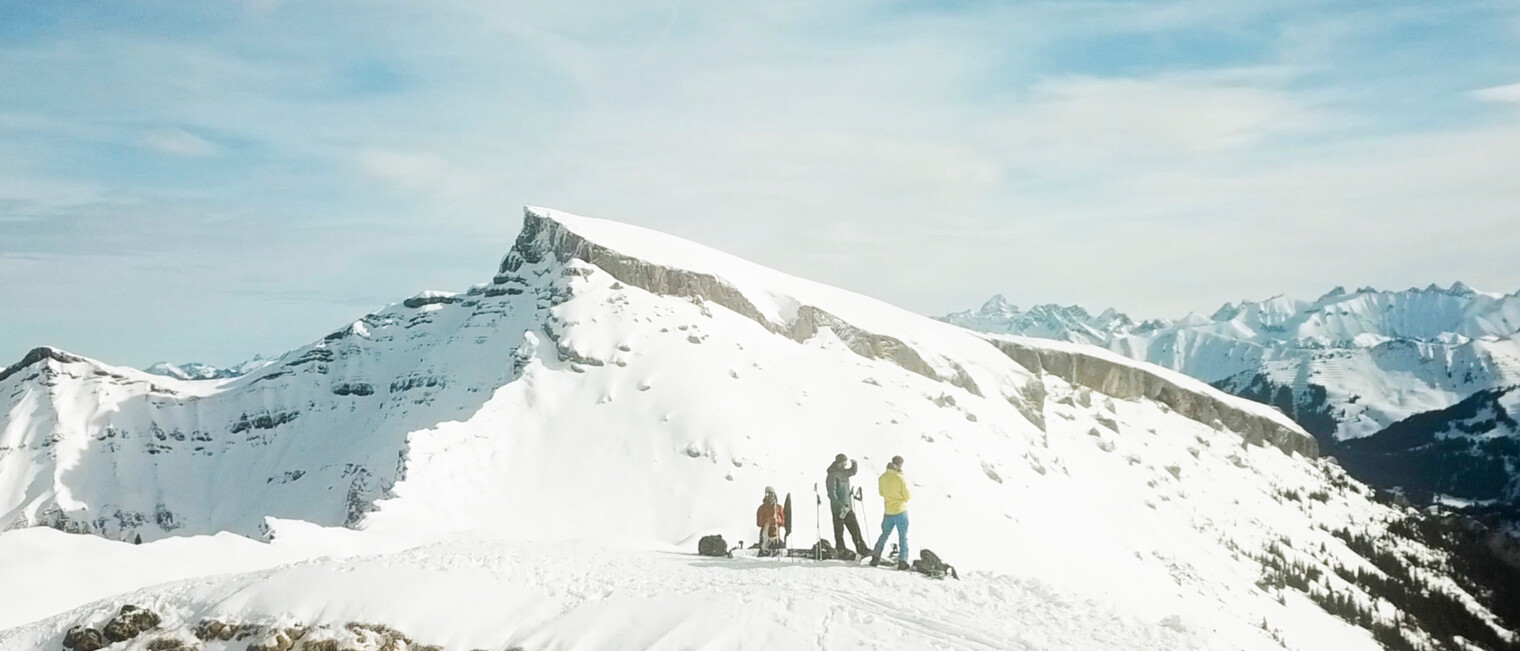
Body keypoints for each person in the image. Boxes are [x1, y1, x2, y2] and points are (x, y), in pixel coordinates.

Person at [826, 453, 871, 557]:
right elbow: (832, 494)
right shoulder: (832, 475)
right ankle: (841, 549)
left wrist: (854, 463)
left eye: (845, 462)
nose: (845, 464)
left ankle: (861, 549)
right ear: (838, 463)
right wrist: (840, 506)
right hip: (838, 509)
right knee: (839, 531)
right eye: (843, 462)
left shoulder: (844, 473)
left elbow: (853, 471)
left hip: (847, 507)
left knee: (855, 529)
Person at [871, 455, 912, 570]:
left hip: (888, 510)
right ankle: (903, 561)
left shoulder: (883, 477)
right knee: (903, 536)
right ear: (900, 465)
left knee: (884, 534)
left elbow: (881, 493)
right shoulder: (900, 478)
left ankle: (875, 556)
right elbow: (907, 495)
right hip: (900, 510)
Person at [756, 486, 786, 556]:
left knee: (778, 551)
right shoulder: (762, 508)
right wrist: (767, 521)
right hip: (764, 536)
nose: (768, 496)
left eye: (770, 494)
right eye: (766, 494)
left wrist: (778, 521)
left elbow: (784, 522)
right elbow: (758, 523)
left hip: (775, 535)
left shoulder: (779, 508)